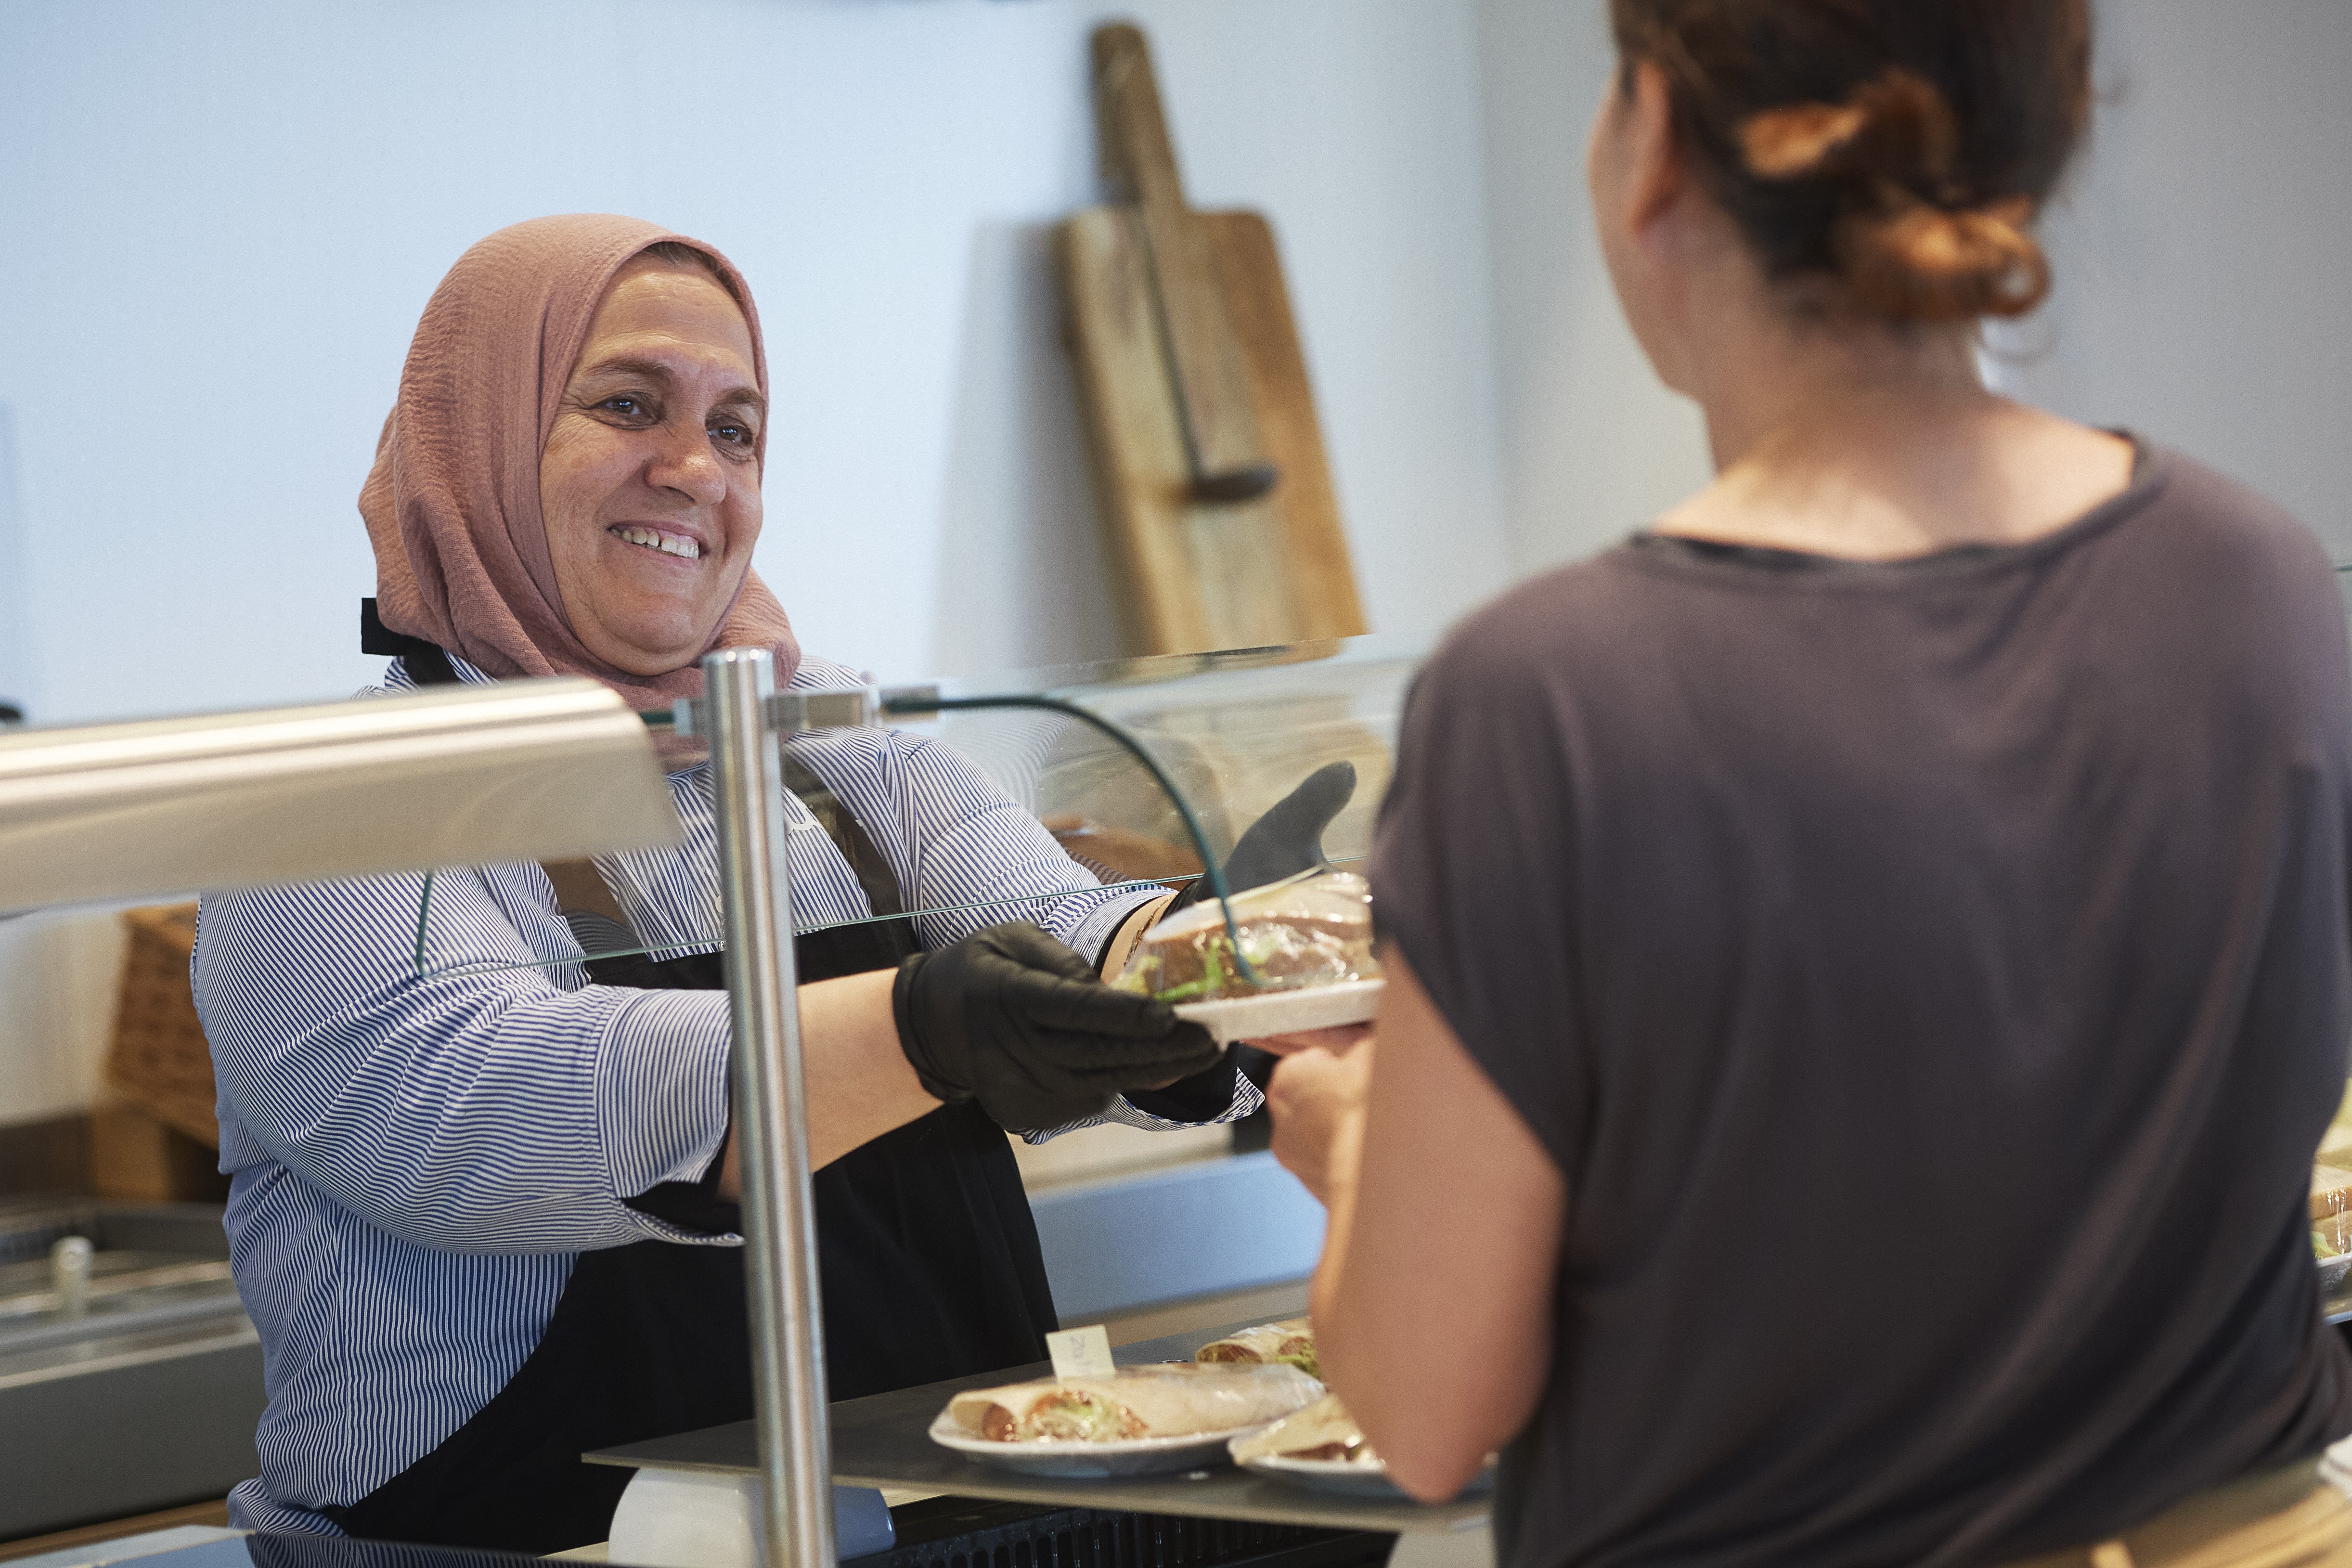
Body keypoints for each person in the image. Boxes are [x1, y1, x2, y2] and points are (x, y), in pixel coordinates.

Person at [1270, 2, 2352, 1565]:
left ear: (1651, 146)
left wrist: (1352, 1136)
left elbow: (1432, 1410)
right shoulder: (2260, 580)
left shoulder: (1553, 697)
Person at [192, 215, 1342, 1551]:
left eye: (736, 430)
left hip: (946, 1526)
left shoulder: (839, 754)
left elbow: (1071, 926)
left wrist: (1229, 952)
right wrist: (919, 1030)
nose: (693, 469)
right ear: (481, 436)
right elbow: (483, 1099)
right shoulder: (335, 803)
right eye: (629, 405)